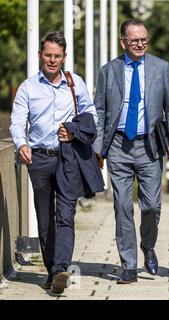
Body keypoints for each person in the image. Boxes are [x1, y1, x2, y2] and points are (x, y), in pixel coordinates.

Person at [93, 19, 169, 284]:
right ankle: (129, 265)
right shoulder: (109, 71)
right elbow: (99, 111)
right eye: (135, 40)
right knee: (122, 206)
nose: (141, 44)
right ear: (123, 42)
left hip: (150, 145)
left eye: (144, 39)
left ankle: (148, 246)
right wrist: (98, 148)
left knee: (152, 206)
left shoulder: (161, 68)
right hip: (119, 146)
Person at [9, 31, 99, 293]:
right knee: (45, 219)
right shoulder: (28, 87)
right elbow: (17, 121)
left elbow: (90, 114)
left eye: (57, 56)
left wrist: (72, 130)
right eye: (48, 55)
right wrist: (21, 143)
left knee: (66, 215)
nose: (52, 60)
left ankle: (61, 268)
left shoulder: (75, 83)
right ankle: (51, 270)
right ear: (40, 55)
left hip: (68, 157)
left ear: (64, 57)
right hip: (38, 158)